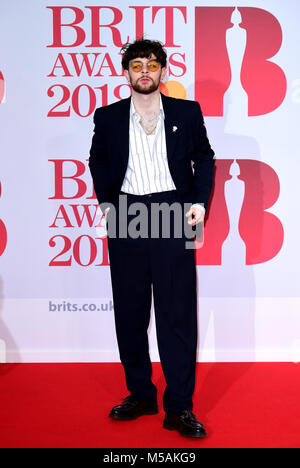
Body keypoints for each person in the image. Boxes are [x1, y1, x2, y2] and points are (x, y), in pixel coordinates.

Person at [89, 38, 215, 438]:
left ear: (163, 71)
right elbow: (98, 159)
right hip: (127, 214)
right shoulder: (107, 117)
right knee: (130, 312)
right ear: (125, 71)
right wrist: (107, 201)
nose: (145, 71)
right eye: (137, 64)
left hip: (171, 212)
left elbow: (205, 158)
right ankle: (141, 394)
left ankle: (179, 407)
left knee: (176, 315)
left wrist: (198, 200)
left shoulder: (187, 112)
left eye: (153, 64)